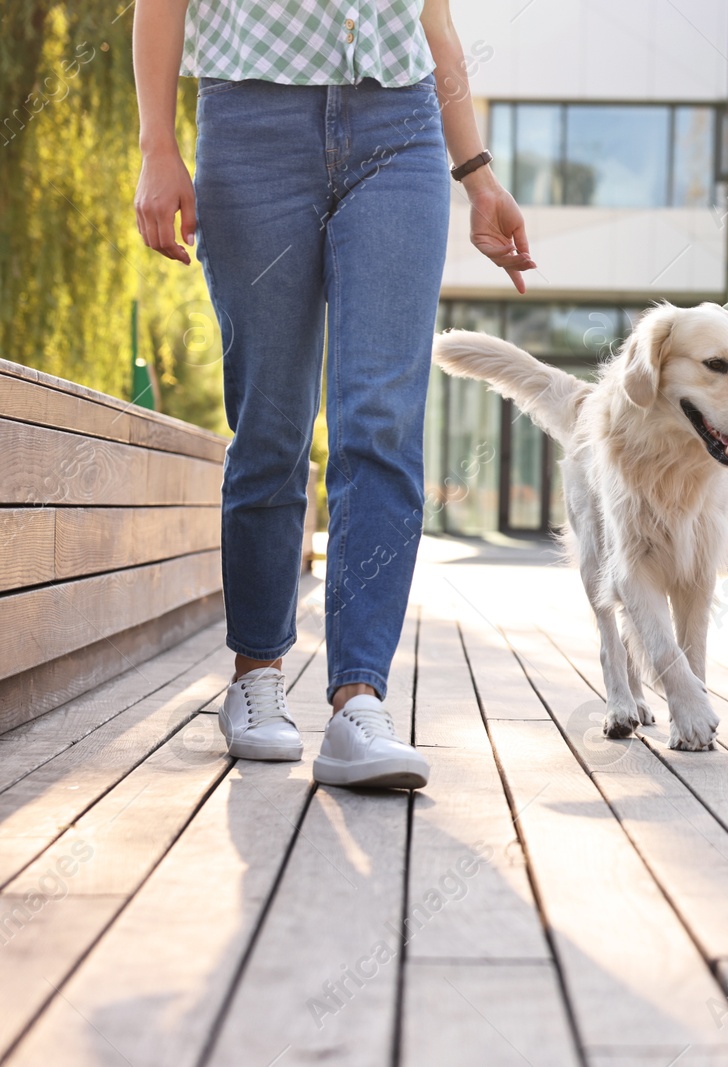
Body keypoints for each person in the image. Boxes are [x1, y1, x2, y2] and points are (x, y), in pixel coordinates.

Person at [133, 0, 532, 788]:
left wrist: (477, 173)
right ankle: (256, 675)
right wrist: (156, 146)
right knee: (272, 422)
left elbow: (433, 19)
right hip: (252, 125)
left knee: (378, 421)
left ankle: (359, 698)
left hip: (402, 130)